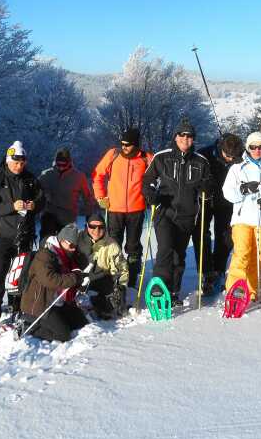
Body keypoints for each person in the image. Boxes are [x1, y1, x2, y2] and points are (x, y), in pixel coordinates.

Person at [142, 117, 213, 305]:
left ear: (193, 139)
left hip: (188, 215)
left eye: (189, 136)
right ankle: (160, 289)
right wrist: (151, 194)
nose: (185, 138)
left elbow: (208, 185)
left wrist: (207, 189)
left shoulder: (201, 161)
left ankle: (174, 291)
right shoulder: (162, 157)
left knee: (178, 255)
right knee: (165, 249)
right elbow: (147, 179)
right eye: (182, 135)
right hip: (165, 212)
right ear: (175, 137)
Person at [0, 141, 45, 322]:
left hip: (25, 234)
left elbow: (42, 200)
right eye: (16, 162)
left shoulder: (31, 179)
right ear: (8, 161)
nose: (19, 166)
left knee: (21, 274)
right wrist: (12, 206)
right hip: (3, 235)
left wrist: (34, 205)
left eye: (22, 163)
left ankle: (18, 308)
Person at [222, 132, 261, 300]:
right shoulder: (237, 167)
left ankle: (252, 291)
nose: (257, 150)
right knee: (242, 253)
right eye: (253, 147)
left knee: (260, 255)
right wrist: (243, 190)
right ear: (247, 148)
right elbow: (227, 192)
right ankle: (235, 290)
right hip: (243, 218)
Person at [91, 129, 153, 289]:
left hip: (137, 210)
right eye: (122, 143)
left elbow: (159, 177)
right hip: (114, 209)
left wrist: (153, 193)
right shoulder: (113, 155)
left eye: (128, 144)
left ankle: (131, 281)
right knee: (113, 245)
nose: (124, 147)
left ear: (136, 145)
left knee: (133, 246)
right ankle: (113, 279)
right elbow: (97, 175)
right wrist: (100, 196)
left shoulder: (146, 158)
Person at [192, 132, 243, 295]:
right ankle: (206, 270)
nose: (230, 159)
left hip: (227, 202)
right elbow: (192, 177)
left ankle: (219, 268)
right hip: (205, 200)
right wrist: (202, 185)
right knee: (202, 234)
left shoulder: (239, 158)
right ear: (221, 148)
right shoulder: (204, 154)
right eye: (228, 156)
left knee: (226, 236)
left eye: (234, 157)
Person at [20, 223, 89, 342]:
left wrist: (80, 279)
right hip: (40, 305)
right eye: (71, 245)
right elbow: (50, 280)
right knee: (63, 335)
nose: (73, 249)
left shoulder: (66, 256)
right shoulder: (45, 255)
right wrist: (74, 278)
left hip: (58, 302)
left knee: (81, 324)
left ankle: (58, 321)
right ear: (61, 241)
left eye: (75, 246)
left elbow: (75, 273)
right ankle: (29, 327)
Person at [77, 213, 129, 319]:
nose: (96, 230)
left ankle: (98, 302)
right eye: (92, 226)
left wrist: (121, 288)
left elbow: (121, 269)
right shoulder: (78, 238)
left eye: (100, 227)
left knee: (110, 307)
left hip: (99, 279)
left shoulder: (112, 245)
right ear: (87, 226)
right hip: (77, 279)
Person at [39, 147, 95, 243]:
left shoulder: (79, 177)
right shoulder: (46, 175)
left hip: (68, 216)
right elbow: (36, 193)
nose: (61, 167)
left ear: (69, 162)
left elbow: (88, 197)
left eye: (64, 164)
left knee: (68, 244)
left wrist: (89, 216)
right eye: (58, 164)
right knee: (47, 243)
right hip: (49, 214)